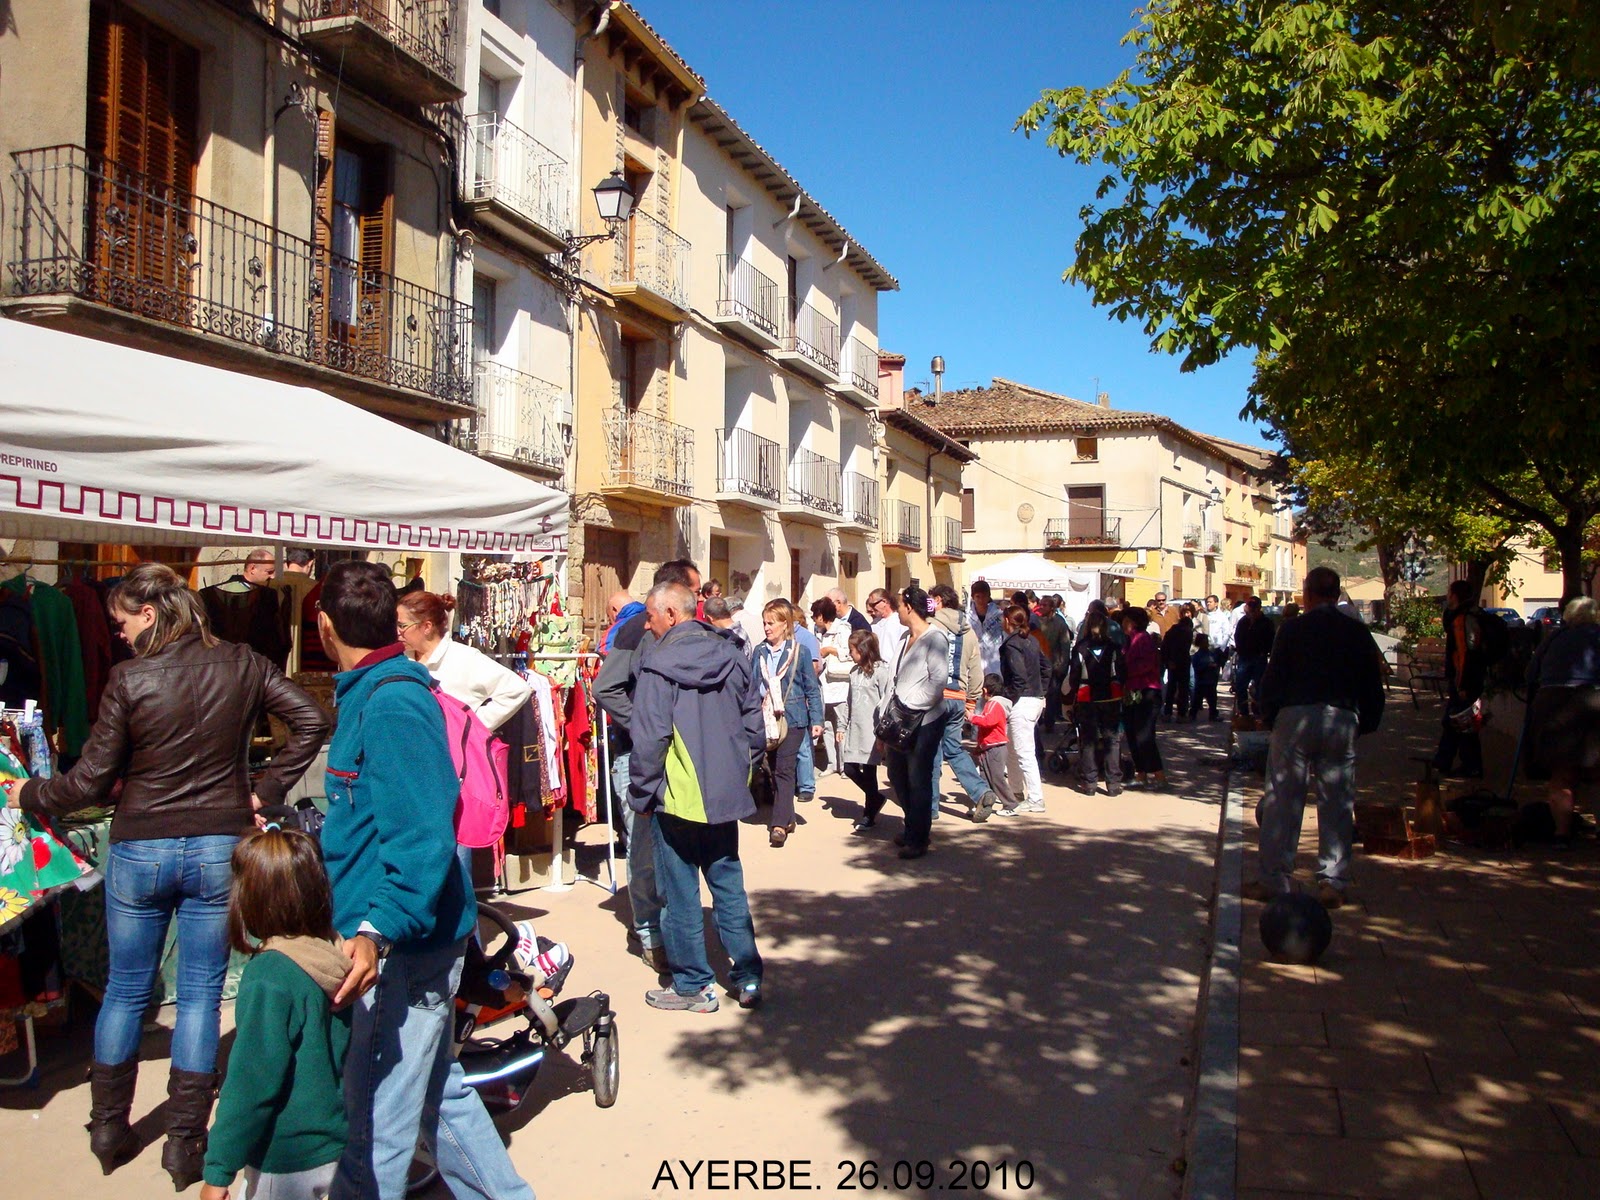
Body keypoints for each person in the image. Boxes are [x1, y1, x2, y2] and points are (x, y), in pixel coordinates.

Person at [4, 564, 326, 1187]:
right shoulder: (242, 663)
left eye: (122, 621)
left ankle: (107, 1127)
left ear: (150, 613)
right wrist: (266, 790)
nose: (118, 633)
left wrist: (27, 793)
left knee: (127, 989)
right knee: (201, 994)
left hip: (141, 847)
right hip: (215, 844)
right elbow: (311, 721)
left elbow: (88, 784)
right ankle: (184, 1143)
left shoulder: (131, 679)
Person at [314, 561, 534, 1200]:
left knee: (376, 1121)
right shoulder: (370, 693)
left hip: (399, 945)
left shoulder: (393, 704)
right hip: (402, 935)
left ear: (325, 626)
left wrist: (377, 931)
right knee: (435, 1089)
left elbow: (423, 839)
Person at [628, 582, 765, 1012]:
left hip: (678, 798)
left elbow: (650, 737)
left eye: (650, 616)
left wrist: (642, 793)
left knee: (682, 894)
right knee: (728, 885)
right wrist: (742, 773)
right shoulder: (734, 655)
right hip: (723, 793)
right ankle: (748, 977)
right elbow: (754, 725)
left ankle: (693, 986)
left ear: (671, 613)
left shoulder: (658, 664)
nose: (647, 625)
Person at [199, 828, 351, 1200]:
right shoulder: (333, 953)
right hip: (337, 1148)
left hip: (285, 1160)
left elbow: (250, 1085)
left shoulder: (269, 976)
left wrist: (218, 1171)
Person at [1245, 567, 1386, 908]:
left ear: (1306, 595)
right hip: (1341, 717)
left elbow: (1274, 674)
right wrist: (1365, 721)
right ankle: (1332, 881)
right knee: (1337, 800)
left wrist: (1267, 713)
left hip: (1296, 716)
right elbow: (1373, 680)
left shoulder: (1292, 629)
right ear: (1337, 595)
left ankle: (1274, 879)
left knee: (1283, 798)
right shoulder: (1356, 631)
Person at [594, 561, 700, 971]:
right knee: (642, 848)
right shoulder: (637, 627)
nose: (700, 600)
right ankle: (649, 932)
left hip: (674, 755)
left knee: (672, 846)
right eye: (694, 591)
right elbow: (605, 687)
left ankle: (670, 929)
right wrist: (643, 722)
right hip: (634, 755)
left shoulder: (683, 631)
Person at [397, 590, 531, 732]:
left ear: (427, 627)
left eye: (402, 626)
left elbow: (517, 690)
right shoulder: (401, 659)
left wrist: (470, 728)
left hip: (450, 751)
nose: (397, 631)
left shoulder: (464, 658)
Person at [1525, 596, 1600, 846]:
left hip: (1553, 703)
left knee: (1562, 774)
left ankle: (1562, 833)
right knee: (1597, 771)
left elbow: (1530, 674)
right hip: (1593, 700)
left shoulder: (1555, 637)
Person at [882, 588, 949, 859]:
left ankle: (919, 838)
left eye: (899, 605)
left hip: (926, 721)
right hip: (901, 721)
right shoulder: (903, 639)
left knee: (918, 779)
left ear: (909, 607)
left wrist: (910, 703)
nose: (896, 610)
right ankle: (912, 826)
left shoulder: (936, 639)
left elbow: (937, 683)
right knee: (897, 775)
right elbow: (895, 679)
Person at [753, 600, 823, 847]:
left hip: (792, 718)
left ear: (785, 624)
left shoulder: (799, 652)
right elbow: (752, 687)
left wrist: (817, 719)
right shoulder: (759, 652)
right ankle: (788, 816)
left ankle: (779, 825)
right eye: (764, 622)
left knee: (784, 768)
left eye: (771, 623)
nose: (766, 627)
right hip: (767, 718)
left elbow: (811, 687)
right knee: (773, 769)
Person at [927, 584, 999, 822]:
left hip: (935, 697)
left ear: (938, 600)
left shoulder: (931, 626)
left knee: (931, 752)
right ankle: (980, 791)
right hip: (958, 696)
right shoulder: (968, 631)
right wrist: (971, 701)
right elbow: (975, 670)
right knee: (954, 748)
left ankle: (931, 806)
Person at [1433, 579, 1494, 778]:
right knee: (1458, 722)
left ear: (1456, 596)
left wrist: (1462, 683)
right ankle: (1447, 762)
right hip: (1470, 679)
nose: (1447, 597)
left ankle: (1467, 765)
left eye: (1449, 593)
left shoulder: (1462, 620)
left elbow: (1464, 653)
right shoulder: (1471, 615)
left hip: (1464, 680)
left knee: (1462, 723)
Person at [1066, 607, 1126, 796]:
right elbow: (1122, 672)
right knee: (1112, 740)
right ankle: (1113, 783)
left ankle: (1090, 782)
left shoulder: (1081, 647)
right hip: (1111, 696)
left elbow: (1074, 675)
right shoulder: (1113, 647)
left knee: (1088, 740)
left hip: (1087, 698)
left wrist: (1073, 693)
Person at [996, 605, 1048, 815]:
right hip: (1033, 698)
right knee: (1014, 749)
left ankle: (1036, 798)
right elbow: (1047, 667)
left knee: (1024, 751)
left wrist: (1009, 698)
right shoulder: (1032, 640)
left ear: (1008, 620)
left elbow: (1018, 677)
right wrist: (1041, 690)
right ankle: (1016, 792)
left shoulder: (1013, 644)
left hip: (1023, 701)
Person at [842, 629, 892, 830]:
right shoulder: (854, 673)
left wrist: (883, 733)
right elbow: (849, 701)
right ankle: (876, 797)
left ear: (863, 650)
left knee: (870, 772)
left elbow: (886, 702)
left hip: (872, 731)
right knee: (849, 768)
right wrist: (842, 725)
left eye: (852, 650)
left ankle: (868, 813)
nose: (850, 654)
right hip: (855, 729)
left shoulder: (881, 672)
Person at [1120, 607, 1167, 789]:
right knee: (1131, 733)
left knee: (1144, 735)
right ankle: (1141, 775)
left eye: (1126, 620)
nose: (1123, 623)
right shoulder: (1129, 640)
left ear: (1133, 622)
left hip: (1147, 691)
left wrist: (1127, 673)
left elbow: (1146, 665)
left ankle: (1159, 775)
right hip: (1132, 691)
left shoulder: (1143, 639)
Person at [811, 597, 853, 775]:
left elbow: (850, 652)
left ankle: (845, 766)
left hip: (840, 685)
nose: (813, 618)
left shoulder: (843, 629)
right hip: (823, 684)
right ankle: (832, 763)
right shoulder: (817, 632)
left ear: (821, 615)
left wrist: (830, 650)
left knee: (841, 726)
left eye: (815, 615)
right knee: (827, 725)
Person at [968, 674, 1019, 812]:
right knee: (984, 777)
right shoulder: (993, 704)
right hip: (988, 747)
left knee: (997, 778)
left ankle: (1011, 804)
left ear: (985, 690)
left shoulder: (994, 704)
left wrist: (972, 717)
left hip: (996, 747)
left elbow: (988, 721)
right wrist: (979, 746)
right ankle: (983, 804)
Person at [1232, 596, 1275, 718]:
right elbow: (1237, 637)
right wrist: (1240, 650)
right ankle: (1243, 711)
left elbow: (1271, 639)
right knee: (1241, 685)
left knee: (1259, 686)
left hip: (1259, 658)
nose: (1252, 610)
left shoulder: (1266, 622)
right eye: (1250, 607)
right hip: (1245, 657)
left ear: (1259, 608)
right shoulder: (1243, 621)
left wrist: (1265, 651)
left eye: (1254, 608)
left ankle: (1258, 712)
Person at [1161, 605, 1195, 721]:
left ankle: (1167, 713)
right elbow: (1184, 649)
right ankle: (1181, 714)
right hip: (1183, 662)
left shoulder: (1171, 631)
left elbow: (1165, 646)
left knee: (1171, 688)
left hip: (1172, 662)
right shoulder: (1187, 632)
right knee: (1183, 689)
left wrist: (1168, 661)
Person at [967, 580, 1005, 677]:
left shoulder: (999, 616)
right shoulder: (966, 617)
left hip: (994, 662)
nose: (980, 600)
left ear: (988, 596)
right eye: (977, 597)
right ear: (973, 597)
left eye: (983, 596)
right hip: (974, 662)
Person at [867, 586, 907, 662]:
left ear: (884, 602)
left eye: (873, 604)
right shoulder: (873, 624)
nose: (871, 608)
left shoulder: (899, 621)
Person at [1189, 633, 1223, 721]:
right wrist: (1206, 666)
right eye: (1204, 642)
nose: (1206, 643)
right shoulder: (1197, 656)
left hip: (1210, 681)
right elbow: (1197, 668)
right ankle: (1192, 715)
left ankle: (1213, 715)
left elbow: (1216, 663)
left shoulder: (1211, 654)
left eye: (1207, 641)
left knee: (1212, 700)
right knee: (1197, 700)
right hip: (1201, 682)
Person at [602, 590, 644, 655]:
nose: (608, 620)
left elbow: (603, 656)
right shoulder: (650, 618)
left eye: (608, 616)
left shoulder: (615, 630)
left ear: (614, 609)